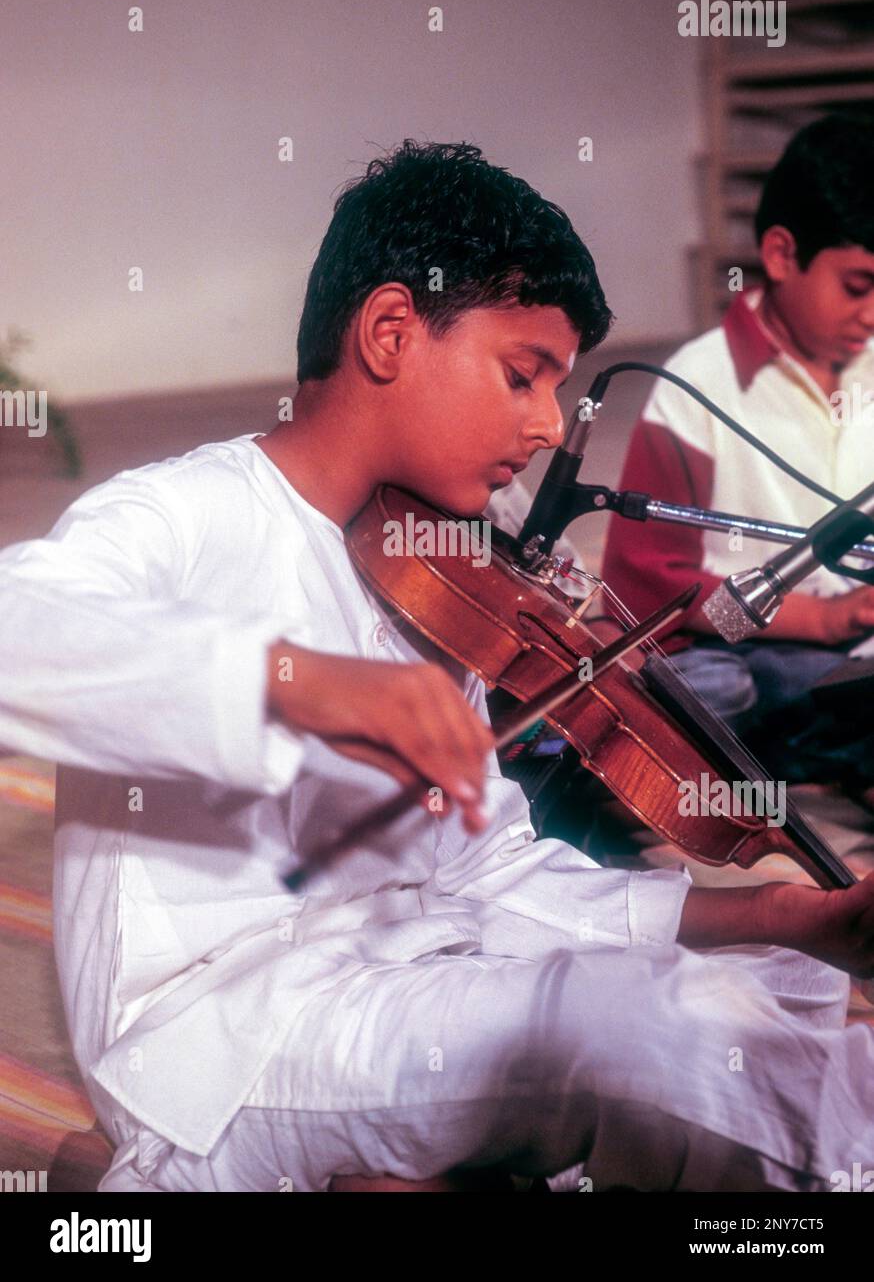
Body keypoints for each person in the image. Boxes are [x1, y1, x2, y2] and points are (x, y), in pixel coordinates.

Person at [3, 139, 874, 1194]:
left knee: (776, 991)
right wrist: (301, 682)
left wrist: (765, 915)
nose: (551, 425)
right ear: (388, 333)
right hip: (225, 1033)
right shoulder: (188, 512)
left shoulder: (441, 565)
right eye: (523, 375)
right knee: (640, 1029)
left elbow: (485, 872)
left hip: (411, 975)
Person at [602, 114, 874, 784]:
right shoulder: (695, 386)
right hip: (740, 650)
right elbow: (646, 591)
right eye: (858, 288)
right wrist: (829, 617)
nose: (873, 316)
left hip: (850, 659)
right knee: (707, 691)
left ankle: (802, 756)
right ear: (782, 256)